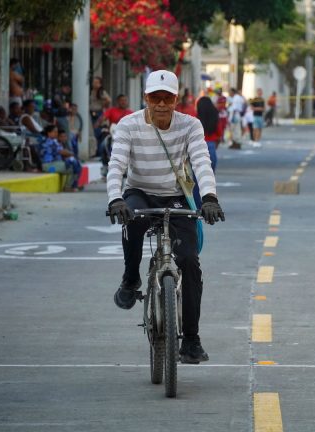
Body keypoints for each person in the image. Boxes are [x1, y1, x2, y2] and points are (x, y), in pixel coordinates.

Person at [106, 70, 225, 364]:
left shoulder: (191, 126)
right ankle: (131, 279)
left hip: (175, 195)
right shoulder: (128, 125)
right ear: (145, 98)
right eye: (155, 98)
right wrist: (115, 198)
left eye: (167, 98)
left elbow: (201, 162)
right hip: (140, 192)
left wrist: (209, 197)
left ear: (176, 99)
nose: (161, 104)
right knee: (132, 221)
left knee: (189, 263)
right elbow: (116, 164)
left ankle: (192, 341)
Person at [193, 96, 221, 206]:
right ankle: (209, 203)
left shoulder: (196, 118)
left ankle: (197, 205)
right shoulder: (215, 116)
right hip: (212, 147)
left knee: (196, 181)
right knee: (209, 180)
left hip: (197, 148)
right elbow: (219, 134)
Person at [40, 125, 76, 190]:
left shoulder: (54, 141)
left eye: (57, 132)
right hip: (49, 166)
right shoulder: (51, 141)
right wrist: (72, 154)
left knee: (71, 165)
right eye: (54, 132)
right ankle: (68, 187)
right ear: (49, 133)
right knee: (72, 167)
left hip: (54, 164)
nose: (56, 134)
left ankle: (70, 186)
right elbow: (62, 152)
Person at [90, 76, 111, 154]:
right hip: (92, 113)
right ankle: (98, 151)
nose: (94, 84)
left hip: (98, 113)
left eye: (96, 83)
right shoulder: (92, 91)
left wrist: (104, 105)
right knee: (95, 133)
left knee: (99, 132)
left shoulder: (101, 92)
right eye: (94, 82)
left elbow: (108, 100)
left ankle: (100, 151)